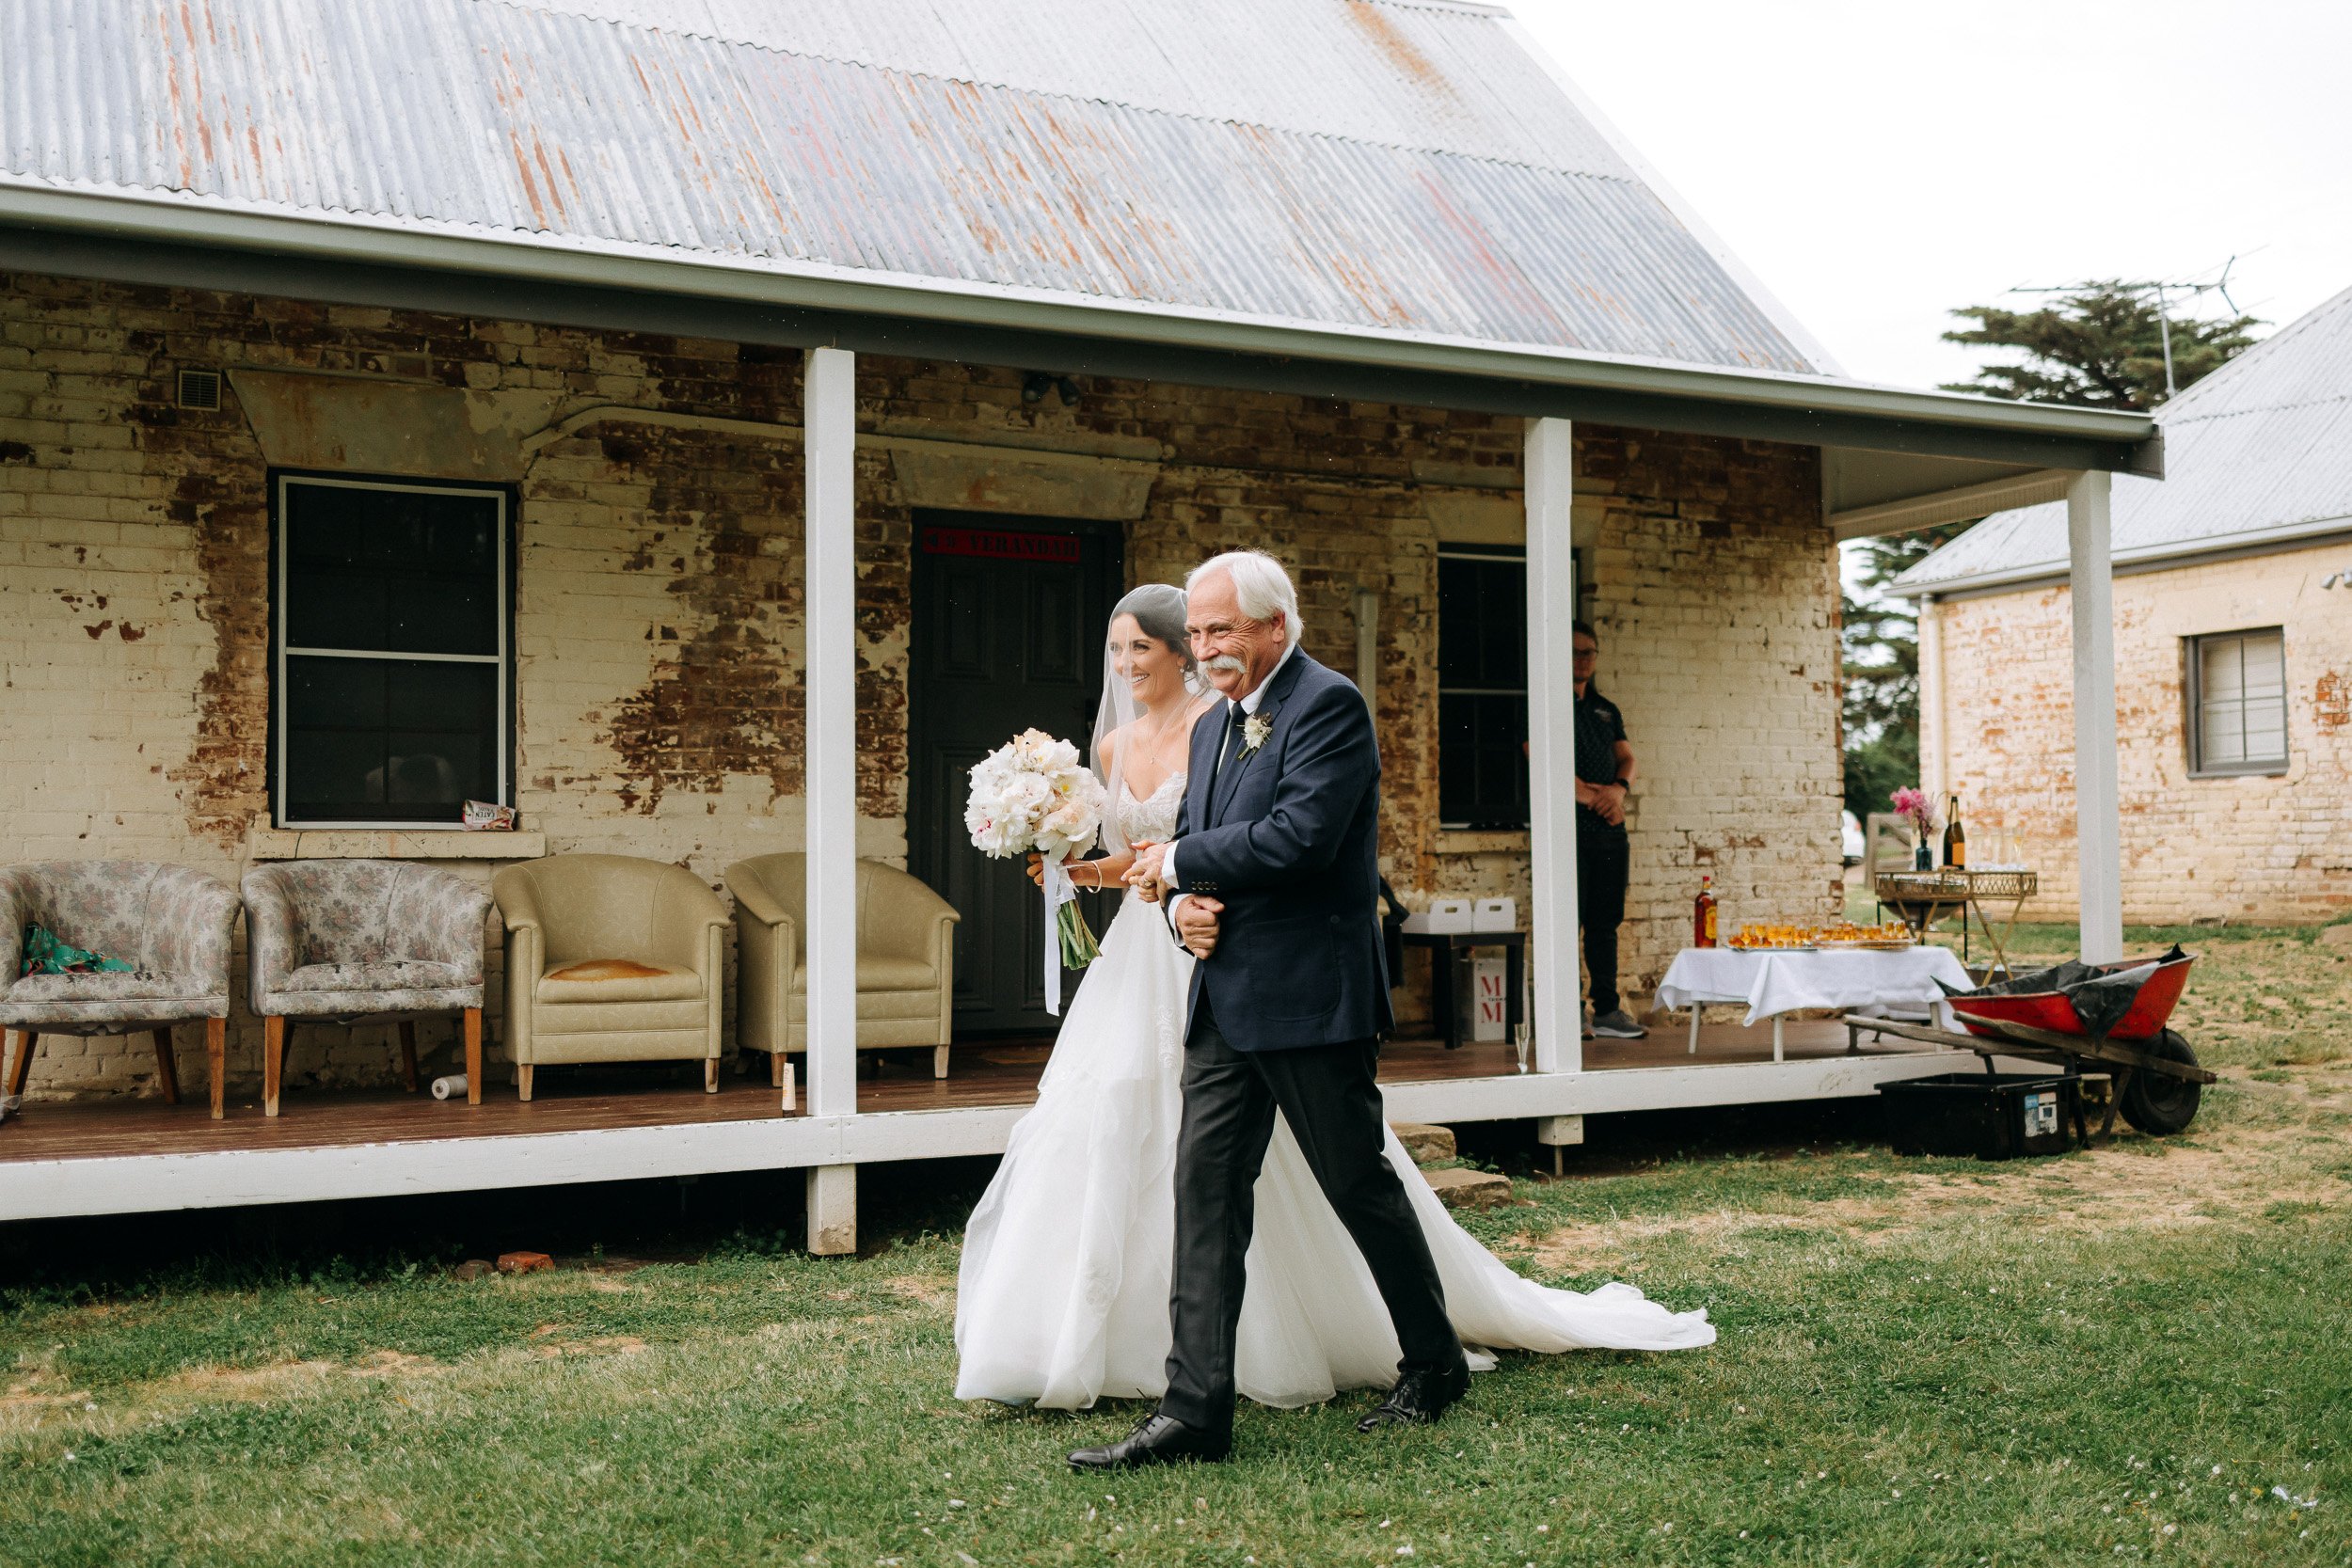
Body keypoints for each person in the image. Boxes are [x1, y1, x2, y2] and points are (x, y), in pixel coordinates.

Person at [950, 569, 1714, 1472]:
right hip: (1220, 997)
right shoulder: (1221, 722)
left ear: (1276, 626)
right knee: (1205, 1194)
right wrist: (1181, 904)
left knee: (1356, 1181)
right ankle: (1194, 1411)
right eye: (1199, 632)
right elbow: (1194, 849)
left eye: (1223, 630)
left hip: (1310, 998)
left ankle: (1433, 1360)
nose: (1207, 647)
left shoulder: (1329, 706)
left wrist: (1181, 865)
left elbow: (1300, 838)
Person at [1572, 619, 1645, 1040]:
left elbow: (1627, 760)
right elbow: (1541, 761)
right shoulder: (1545, 704)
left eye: (1588, 652)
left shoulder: (1606, 710)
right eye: (1574, 652)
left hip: (1609, 834)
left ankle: (1607, 1010)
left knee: (1605, 924)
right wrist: (1594, 800)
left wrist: (1617, 791)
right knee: (1569, 921)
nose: (1582, 659)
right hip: (1571, 832)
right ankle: (1571, 1012)